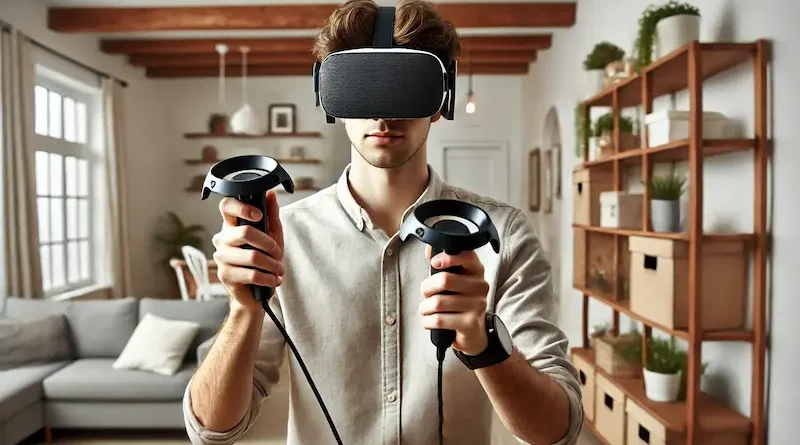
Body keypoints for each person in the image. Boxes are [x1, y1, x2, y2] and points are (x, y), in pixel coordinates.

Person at [183, 0, 583, 444]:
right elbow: (211, 431)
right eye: (363, 88)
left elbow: (558, 432)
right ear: (328, 96)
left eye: (404, 88)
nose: (382, 114)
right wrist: (243, 309)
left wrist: (483, 341)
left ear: (440, 98)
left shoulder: (502, 237)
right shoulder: (285, 240)